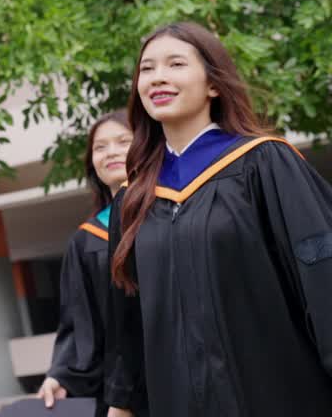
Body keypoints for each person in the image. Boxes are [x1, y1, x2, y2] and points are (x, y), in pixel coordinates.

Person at [104, 22, 332, 417]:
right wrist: (121, 405)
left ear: (213, 84)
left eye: (176, 64)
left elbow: (322, 276)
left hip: (279, 396)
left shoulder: (264, 163)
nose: (158, 77)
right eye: (147, 69)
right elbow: (130, 324)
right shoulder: (134, 199)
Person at [38, 112, 135, 416]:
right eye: (100, 147)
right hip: (121, 395)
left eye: (123, 141)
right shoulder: (86, 241)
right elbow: (78, 323)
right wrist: (61, 373)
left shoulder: (176, 217)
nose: (112, 153)